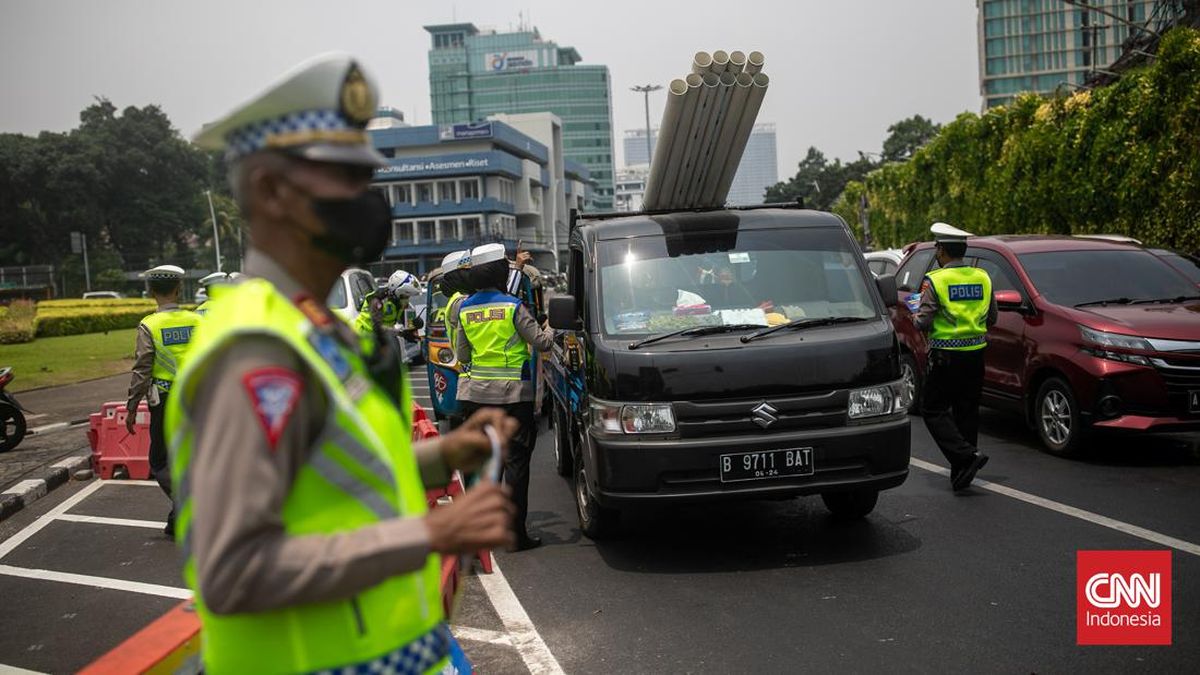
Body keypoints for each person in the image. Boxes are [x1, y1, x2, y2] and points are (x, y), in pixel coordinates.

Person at [167, 53, 518, 673]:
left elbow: (332, 475)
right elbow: (234, 571)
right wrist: (430, 535)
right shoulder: (253, 350)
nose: (366, 200)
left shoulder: (310, 327)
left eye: (364, 178)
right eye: (342, 179)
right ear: (272, 191)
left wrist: (444, 454)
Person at [455, 243, 555, 551]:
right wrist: (552, 327)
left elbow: (462, 354)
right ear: (500, 272)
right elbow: (541, 343)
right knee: (516, 464)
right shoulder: (512, 306)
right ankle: (515, 535)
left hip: (477, 397)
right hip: (513, 397)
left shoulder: (465, 308)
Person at [912, 222, 998, 492]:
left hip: (945, 356)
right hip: (975, 354)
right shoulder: (983, 277)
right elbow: (992, 317)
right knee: (967, 410)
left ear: (942, 251)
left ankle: (966, 456)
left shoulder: (936, 280)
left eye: (937, 247)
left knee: (933, 409)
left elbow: (923, 322)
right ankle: (962, 473)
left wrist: (914, 314)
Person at [125, 264, 199, 536]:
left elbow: (142, 368)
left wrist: (131, 407)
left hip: (166, 401)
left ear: (151, 291)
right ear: (179, 289)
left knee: (159, 461)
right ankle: (177, 520)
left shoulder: (150, 325)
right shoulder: (197, 321)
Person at [353, 268, 421, 356]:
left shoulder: (398, 301)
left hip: (380, 339)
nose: (407, 300)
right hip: (364, 337)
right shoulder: (378, 300)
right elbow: (377, 327)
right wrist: (401, 333)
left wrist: (414, 326)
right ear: (398, 292)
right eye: (406, 296)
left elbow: (405, 321)